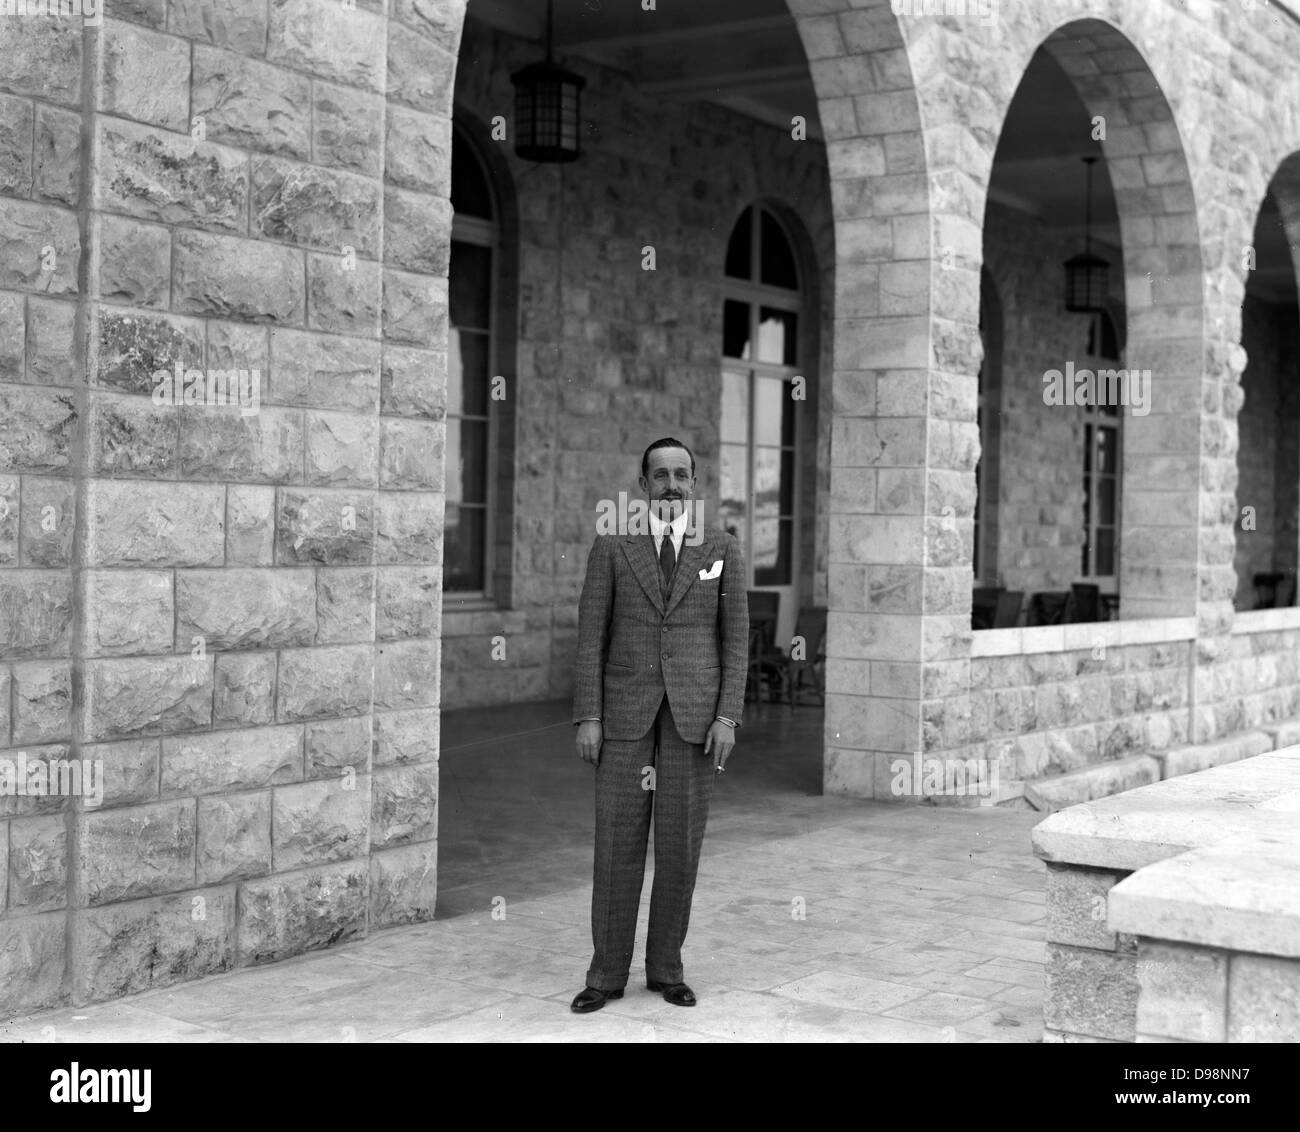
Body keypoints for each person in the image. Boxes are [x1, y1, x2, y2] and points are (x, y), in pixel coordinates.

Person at [569, 437, 748, 1013]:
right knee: (617, 846)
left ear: (695, 483)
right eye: (660, 475)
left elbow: (736, 640)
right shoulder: (614, 548)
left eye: (682, 474)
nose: (672, 484)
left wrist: (727, 715)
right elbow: (591, 637)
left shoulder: (720, 547)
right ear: (643, 486)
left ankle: (666, 968)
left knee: (679, 848)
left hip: (694, 722)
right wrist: (589, 714)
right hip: (624, 718)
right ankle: (606, 975)